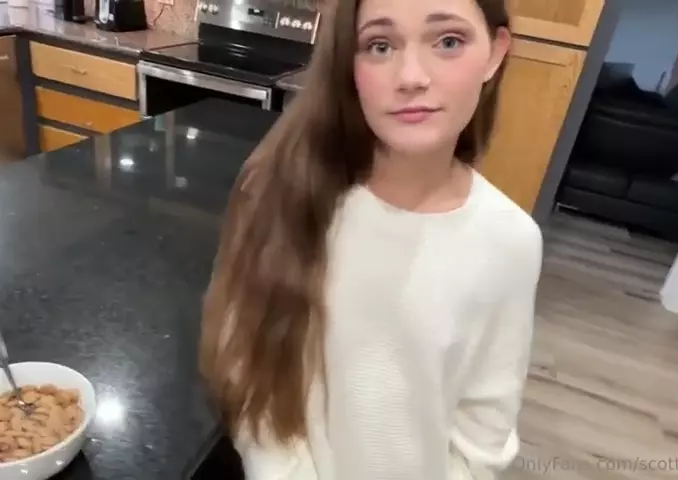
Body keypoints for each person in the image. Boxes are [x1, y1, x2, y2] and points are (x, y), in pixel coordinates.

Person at [199, 0, 542, 478]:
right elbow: (248, 371)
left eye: (448, 41)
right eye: (380, 46)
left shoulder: (511, 242)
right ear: (348, 62)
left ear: (495, 53)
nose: (411, 77)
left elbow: (485, 431)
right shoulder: (279, 192)